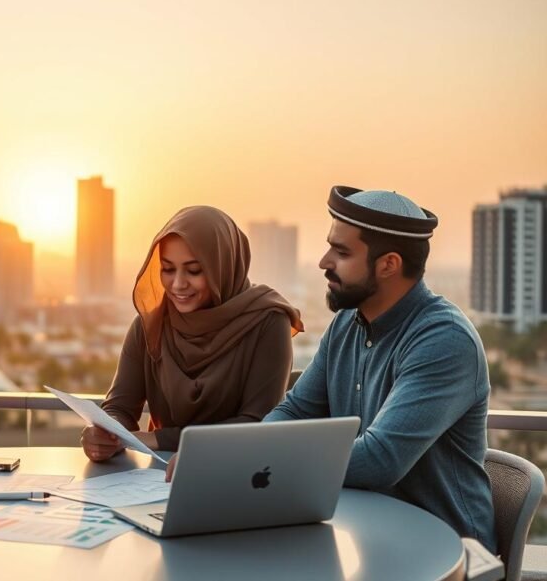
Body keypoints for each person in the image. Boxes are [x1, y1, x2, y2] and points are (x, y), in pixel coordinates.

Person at [258, 186, 495, 549]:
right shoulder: (346, 323)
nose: (324, 262)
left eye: (341, 252)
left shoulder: (443, 339)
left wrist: (270, 463)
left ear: (388, 265)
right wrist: (244, 457)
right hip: (364, 534)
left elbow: (378, 461)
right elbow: (297, 409)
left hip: (444, 549)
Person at [81, 206, 304, 461]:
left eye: (194, 270)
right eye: (167, 269)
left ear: (223, 266)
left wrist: (158, 438)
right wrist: (104, 433)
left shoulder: (267, 321)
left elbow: (257, 423)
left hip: (240, 472)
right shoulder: (150, 325)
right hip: (159, 479)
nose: (178, 284)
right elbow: (120, 406)